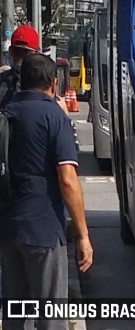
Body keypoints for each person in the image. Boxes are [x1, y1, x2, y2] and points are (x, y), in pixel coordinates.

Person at [0, 53, 93, 330]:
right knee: (50, 317)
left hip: (7, 229)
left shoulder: (6, 114)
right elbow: (67, 179)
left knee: (14, 315)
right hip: (43, 229)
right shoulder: (54, 116)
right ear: (53, 83)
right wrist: (83, 235)